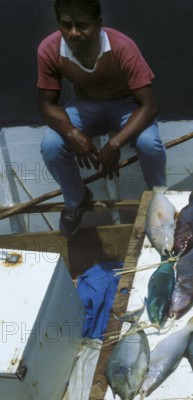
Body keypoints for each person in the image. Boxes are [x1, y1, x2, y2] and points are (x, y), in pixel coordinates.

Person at [37, 0, 166, 237]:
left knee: (150, 144)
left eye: (82, 25)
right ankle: (77, 200)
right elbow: (46, 105)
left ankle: (159, 199)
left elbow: (149, 106)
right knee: (51, 145)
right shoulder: (49, 49)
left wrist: (115, 144)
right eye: (66, 25)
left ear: (98, 25)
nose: (73, 33)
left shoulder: (122, 46)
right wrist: (71, 133)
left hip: (127, 105)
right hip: (85, 106)